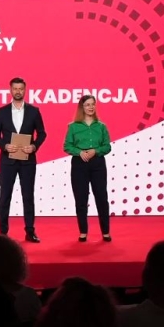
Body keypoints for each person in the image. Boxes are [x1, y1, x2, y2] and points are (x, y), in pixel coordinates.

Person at [0, 77, 47, 243]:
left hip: (28, 160)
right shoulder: (2, 111)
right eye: (15, 88)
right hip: (7, 160)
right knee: (5, 196)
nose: (18, 91)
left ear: (25, 90)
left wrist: (34, 146)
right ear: (10, 90)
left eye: (21, 89)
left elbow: (42, 133)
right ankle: (3, 232)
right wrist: (5, 146)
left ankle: (30, 231)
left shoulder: (34, 111)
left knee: (28, 196)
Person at [62, 94, 112, 242]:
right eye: (87, 105)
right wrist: (79, 152)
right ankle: (83, 231)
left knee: (101, 197)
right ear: (82, 107)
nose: (91, 107)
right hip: (79, 164)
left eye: (93, 104)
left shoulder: (101, 126)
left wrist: (96, 151)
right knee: (81, 198)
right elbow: (67, 146)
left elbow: (107, 146)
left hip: (97, 163)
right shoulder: (73, 126)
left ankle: (105, 232)